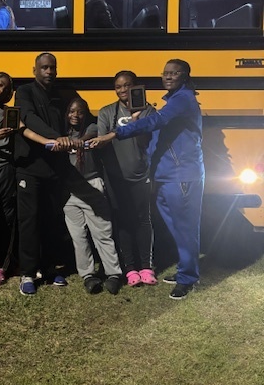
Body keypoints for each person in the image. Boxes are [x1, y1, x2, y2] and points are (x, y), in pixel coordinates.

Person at [88, 59, 205, 300]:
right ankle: (185, 270)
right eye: (165, 73)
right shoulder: (172, 101)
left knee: (185, 229)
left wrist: (116, 133)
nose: (168, 77)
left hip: (181, 175)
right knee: (177, 228)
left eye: (174, 73)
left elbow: (156, 122)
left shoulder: (183, 100)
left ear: (185, 76)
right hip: (165, 175)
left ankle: (188, 278)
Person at [0, 71, 57, 286]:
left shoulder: (9, 112)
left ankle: (5, 264)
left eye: (6, 89)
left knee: (10, 219)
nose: (1, 90)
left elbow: (24, 131)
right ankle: (3, 258)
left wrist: (47, 141)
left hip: (6, 170)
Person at [13, 52, 81, 295]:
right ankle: (28, 273)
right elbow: (28, 118)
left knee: (52, 219)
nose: (49, 72)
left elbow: (80, 118)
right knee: (29, 221)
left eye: (52, 67)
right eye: (44, 67)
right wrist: (56, 137)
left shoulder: (61, 96)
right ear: (35, 70)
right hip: (29, 168)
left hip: (54, 168)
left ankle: (50, 267)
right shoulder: (24, 92)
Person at [97, 70, 156, 287]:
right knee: (123, 220)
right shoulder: (106, 112)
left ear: (136, 86)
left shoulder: (149, 111)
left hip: (141, 175)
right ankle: (130, 269)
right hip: (116, 177)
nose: (123, 90)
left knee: (143, 219)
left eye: (127, 85)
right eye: (118, 86)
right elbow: (101, 143)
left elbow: (146, 142)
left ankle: (146, 267)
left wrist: (136, 119)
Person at [62, 97, 122, 295]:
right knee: (78, 237)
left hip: (92, 185)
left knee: (102, 233)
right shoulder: (62, 133)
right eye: (72, 111)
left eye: (80, 112)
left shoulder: (92, 128)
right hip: (70, 191)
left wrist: (79, 141)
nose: (75, 115)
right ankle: (88, 275)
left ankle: (113, 273)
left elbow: (91, 134)